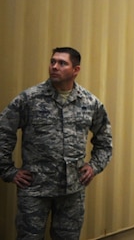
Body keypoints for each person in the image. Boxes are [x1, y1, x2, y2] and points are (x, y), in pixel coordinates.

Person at [0, 47, 113, 239]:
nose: (54, 67)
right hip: (35, 189)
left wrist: (94, 166)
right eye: (52, 62)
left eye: (62, 63)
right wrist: (8, 170)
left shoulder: (90, 103)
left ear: (76, 70)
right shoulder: (30, 99)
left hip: (72, 191)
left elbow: (104, 141)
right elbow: (4, 131)